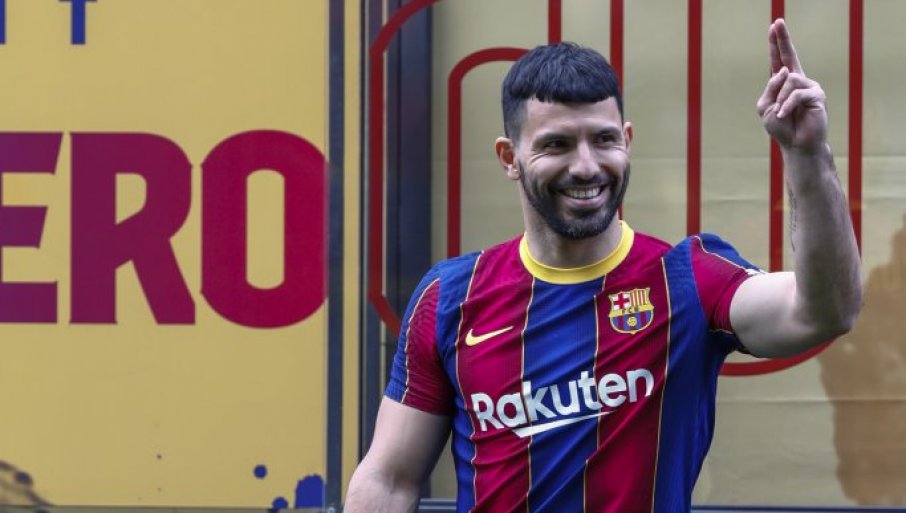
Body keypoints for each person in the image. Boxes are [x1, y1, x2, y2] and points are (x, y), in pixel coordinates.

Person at [345, 18, 862, 513]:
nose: (586, 166)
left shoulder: (687, 280)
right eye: (556, 145)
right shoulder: (450, 298)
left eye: (604, 139)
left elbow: (824, 312)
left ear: (627, 141)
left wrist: (807, 154)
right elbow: (389, 480)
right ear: (509, 157)